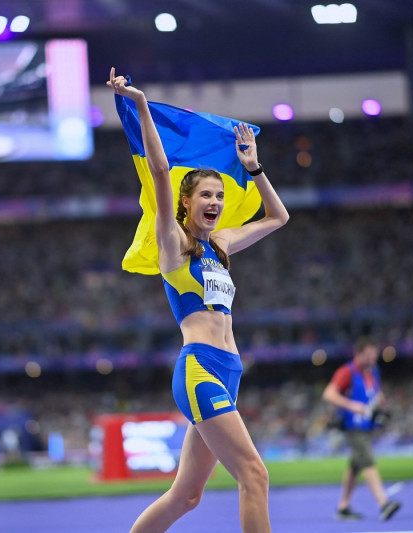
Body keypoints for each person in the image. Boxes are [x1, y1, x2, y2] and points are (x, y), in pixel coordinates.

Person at [108, 68, 289, 533]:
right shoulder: (174, 244)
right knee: (255, 475)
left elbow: (278, 217)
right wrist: (142, 105)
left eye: (220, 195)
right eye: (206, 194)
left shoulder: (222, 245)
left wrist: (253, 167)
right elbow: (161, 169)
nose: (215, 200)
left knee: (186, 495)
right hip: (200, 369)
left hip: (230, 373)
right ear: (187, 204)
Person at [322, 337, 401, 521]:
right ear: (358, 354)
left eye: (375, 355)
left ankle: (343, 507)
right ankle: (383, 503)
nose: (373, 358)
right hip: (353, 425)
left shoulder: (373, 372)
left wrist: (381, 404)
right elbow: (329, 394)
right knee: (367, 459)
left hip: (367, 425)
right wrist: (352, 405)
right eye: (369, 355)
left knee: (355, 466)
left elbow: (375, 393)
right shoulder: (347, 371)